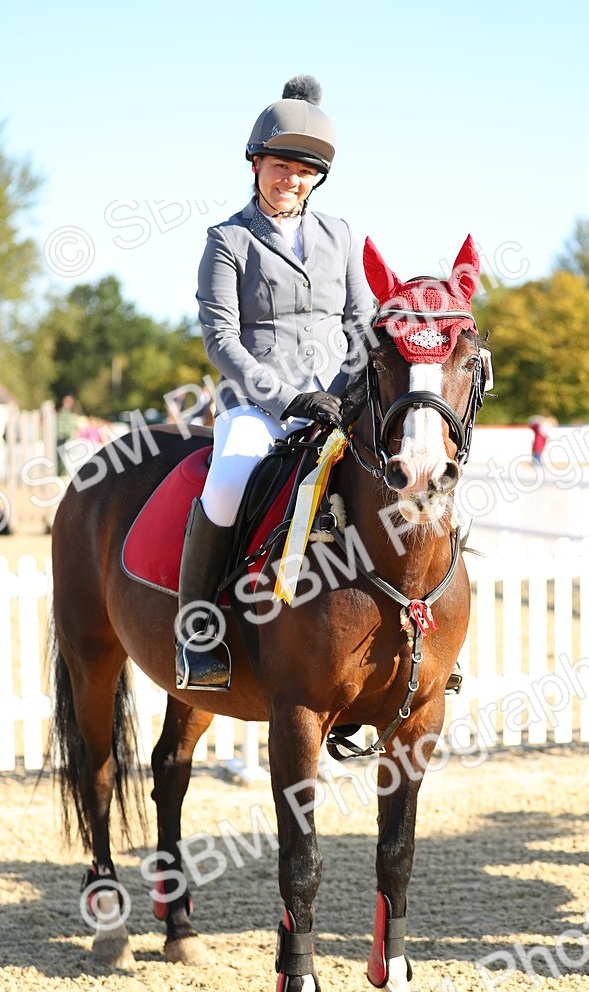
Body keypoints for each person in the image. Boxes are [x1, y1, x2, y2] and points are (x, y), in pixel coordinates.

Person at [177, 75, 374, 689]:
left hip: (335, 402)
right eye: (282, 166)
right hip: (259, 408)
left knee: (401, 479)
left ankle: (419, 635)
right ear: (256, 163)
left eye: (305, 171)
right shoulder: (228, 240)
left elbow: (362, 322)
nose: (292, 180)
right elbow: (222, 341)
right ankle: (197, 631)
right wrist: (291, 399)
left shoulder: (340, 235)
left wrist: (342, 393)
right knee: (229, 482)